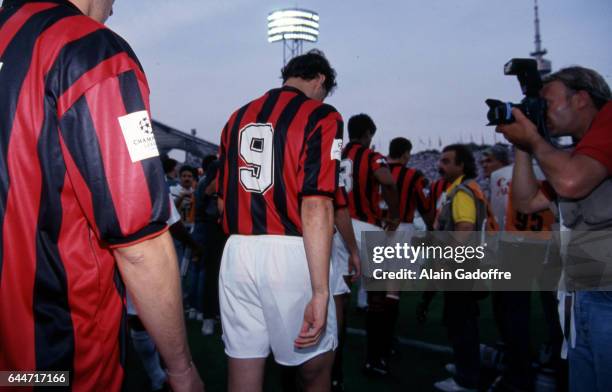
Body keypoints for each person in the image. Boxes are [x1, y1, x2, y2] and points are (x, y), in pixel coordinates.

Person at [0, 1, 203, 391]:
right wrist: (180, 368)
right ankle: (364, 298)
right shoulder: (88, 49)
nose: (113, 9)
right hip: (59, 356)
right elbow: (138, 241)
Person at [216, 49, 342, 392]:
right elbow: (316, 204)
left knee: (244, 366)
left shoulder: (236, 116)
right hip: (291, 252)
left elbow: (220, 194)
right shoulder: (321, 114)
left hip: (237, 252)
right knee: (315, 371)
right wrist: (320, 290)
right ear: (320, 80)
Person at [497, 66, 612, 392]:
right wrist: (522, 145)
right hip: (584, 292)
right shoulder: (579, 153)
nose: (542, 112)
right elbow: (526, 201)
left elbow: (571, 182)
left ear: (581, 99)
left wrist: (533, 137)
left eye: (546, 102)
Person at [433, 144, 498, 392]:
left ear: (461, 165)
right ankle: (465, 366)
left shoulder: (461, 192)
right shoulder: (463, 188)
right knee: (462, 319)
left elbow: (464, 227)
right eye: (440, 160)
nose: (441, 165)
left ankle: (466, 378)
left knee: (462, 322)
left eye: (447, 161)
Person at [340, 113, 400, 376]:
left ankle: (333, 362)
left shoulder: (337, 155)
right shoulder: (370, 155)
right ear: (367, 134)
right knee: (378, 296)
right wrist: (395, 214)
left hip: (337, 228)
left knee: (338, 297)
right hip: (366, 225)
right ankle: (375, 359)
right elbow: (387, 180)